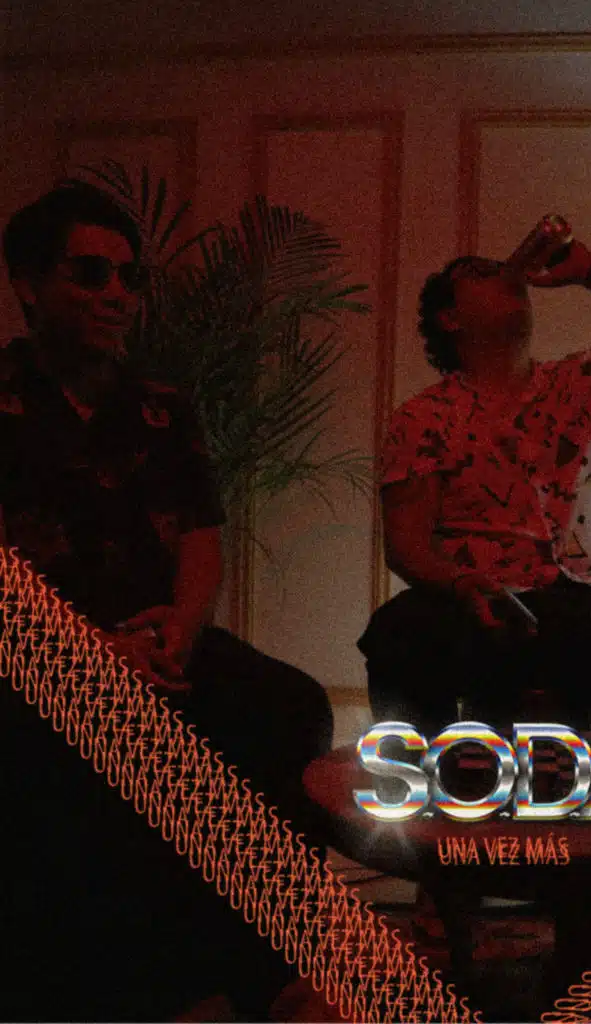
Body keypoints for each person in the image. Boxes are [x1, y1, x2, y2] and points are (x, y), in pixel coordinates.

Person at [0, 182, 334, 1021]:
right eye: (90, 273)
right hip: (32, 650)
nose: (117, 294)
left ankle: (265, 961)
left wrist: (184, 626)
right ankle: (138, 983)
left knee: (288, 705)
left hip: (158, 640)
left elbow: (201, 536)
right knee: (80, 742)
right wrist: (81, 651)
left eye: (129, 277)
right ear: (28, 284)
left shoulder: (161, 408)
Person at [358, 235, 591, 742]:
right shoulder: (421, 417)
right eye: (482, 272)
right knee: (397, 635)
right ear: (450, 318)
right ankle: (419, 781)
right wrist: (461, 582)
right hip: (481, 600)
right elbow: (406, 545)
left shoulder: (590, 379)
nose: (507, 272)